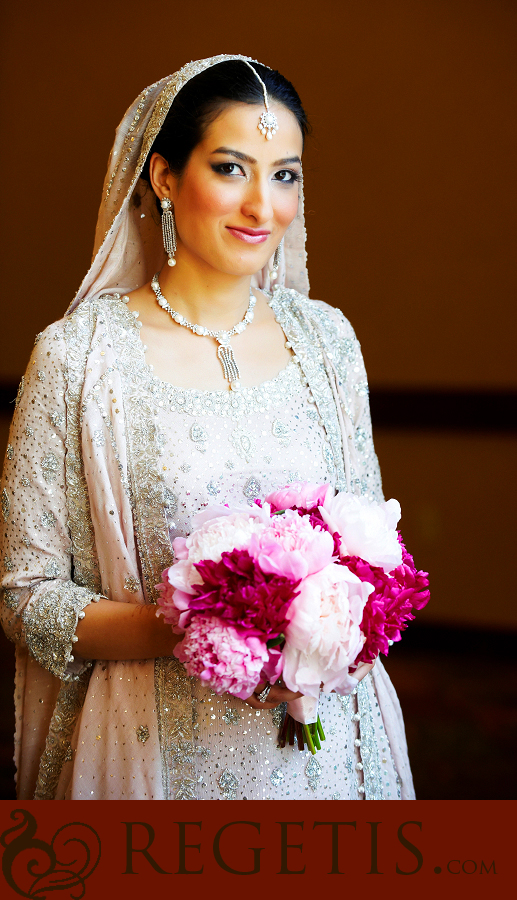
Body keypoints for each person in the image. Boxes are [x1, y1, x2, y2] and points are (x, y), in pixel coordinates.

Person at [0, 55, 415, 800]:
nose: (262, 205)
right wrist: (216, 626)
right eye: (231, 168)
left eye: (284, 174)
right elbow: (27, 598)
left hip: (324, 756)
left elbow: (371, 547)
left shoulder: (325, 341)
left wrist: (328, 618)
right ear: (162, 176)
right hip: (150, 756)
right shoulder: (79, 357)